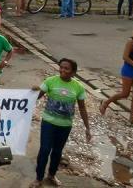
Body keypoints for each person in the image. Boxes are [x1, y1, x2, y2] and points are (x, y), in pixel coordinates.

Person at [30, 58, 91, 188]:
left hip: (65, 126)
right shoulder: (50, 81)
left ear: (73, 72)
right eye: (61, 67)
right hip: (48, 123)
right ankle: (38, 178)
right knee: (45, 150)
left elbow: (82, 108)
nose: (62, 70)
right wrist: (34, 91)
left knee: (57, 152)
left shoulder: (78, 87)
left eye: (66, 68)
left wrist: (87, 128)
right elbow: (35, 97)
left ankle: (51, 175)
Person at [100, 18, 133, 124]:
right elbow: (125, 57)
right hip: (128, 70)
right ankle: (106, 102)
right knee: (125, 93)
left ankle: (132, 116)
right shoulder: (131, 41)